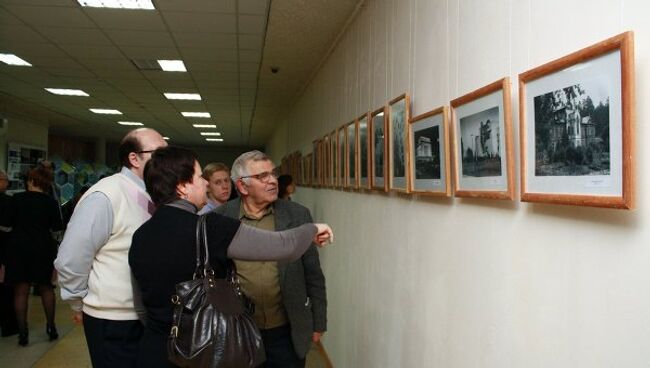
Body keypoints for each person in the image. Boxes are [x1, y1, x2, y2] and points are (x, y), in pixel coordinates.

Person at [128, 146, 333, 367]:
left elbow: (141, 306)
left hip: (156, 351)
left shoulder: (140, 235)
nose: (206, 184)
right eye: (199, 177)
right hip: (202, 352)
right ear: (183, 186)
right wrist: (313, 229)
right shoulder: (211, 226)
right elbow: (282, 246)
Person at [54, 128, 167, 367]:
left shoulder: (151, 193)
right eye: (158, 154)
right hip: (113, 319)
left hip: (144, 316)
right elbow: (71, 259)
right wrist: (78, 302)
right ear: (134, 158)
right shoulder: (105, 196)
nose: (165, 161)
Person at [215, 150, 327, 368]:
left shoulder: (297, 215)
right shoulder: (220, 218)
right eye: (261, 177)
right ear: (242, 186)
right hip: (239, 331)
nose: (272, 181)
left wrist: (318, 321)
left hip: (286, 330)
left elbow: (313, 272)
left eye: (273, 174)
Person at [0, 167, 64, 346]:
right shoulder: (50, 202)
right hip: (43, 249)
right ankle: (51, 327)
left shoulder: (16, 199)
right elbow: (58, 230)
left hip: (18, 249)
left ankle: (22, 333)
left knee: (21, 291)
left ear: (31, 181)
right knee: (46, 289)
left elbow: (5, 226)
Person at [0, 169, 19, 338]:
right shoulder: (7, 201)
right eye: (5, 179)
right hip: (4, 250)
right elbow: (8, 227)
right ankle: (8, 325)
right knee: (6, 289)